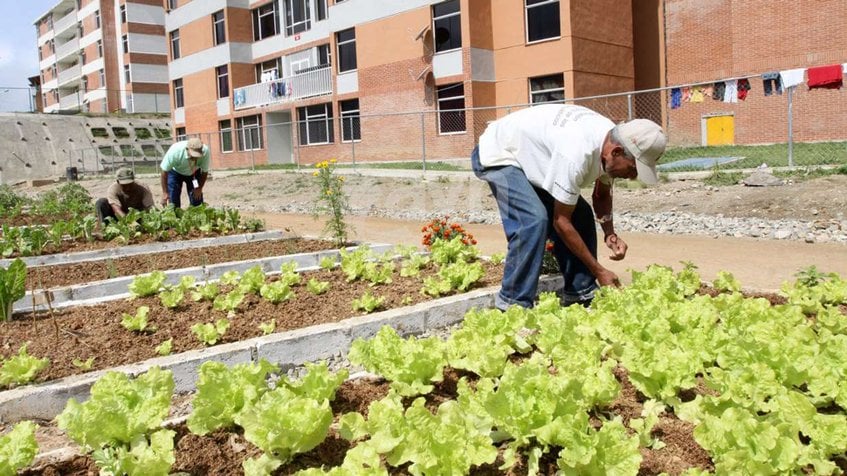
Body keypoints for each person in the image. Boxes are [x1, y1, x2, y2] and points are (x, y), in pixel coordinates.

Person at [471, 104, 667, 310]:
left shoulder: (611, 140)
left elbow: (601, 194)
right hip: (498, 153)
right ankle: (512, 305)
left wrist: (610, 233)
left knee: (581, 215)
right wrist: (599, 270)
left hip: (532, 156)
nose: (633, 176)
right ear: (616, 152)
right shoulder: (576, 153)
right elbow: (561, 222)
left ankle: (580, 293)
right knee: (533, 221)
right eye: (634, 168)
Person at [160, 137, 210, 208]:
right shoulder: (175, 151)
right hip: (175, 172)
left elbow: (204, 172)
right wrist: (165, 192)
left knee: (197, 201)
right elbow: (164, 171)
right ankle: (175, 217)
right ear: (187, 149)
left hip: (194, 173)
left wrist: (199, 188)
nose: (195, 158)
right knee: (173, 199)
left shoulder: (206, 151)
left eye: (197, 156)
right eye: (193, 155)